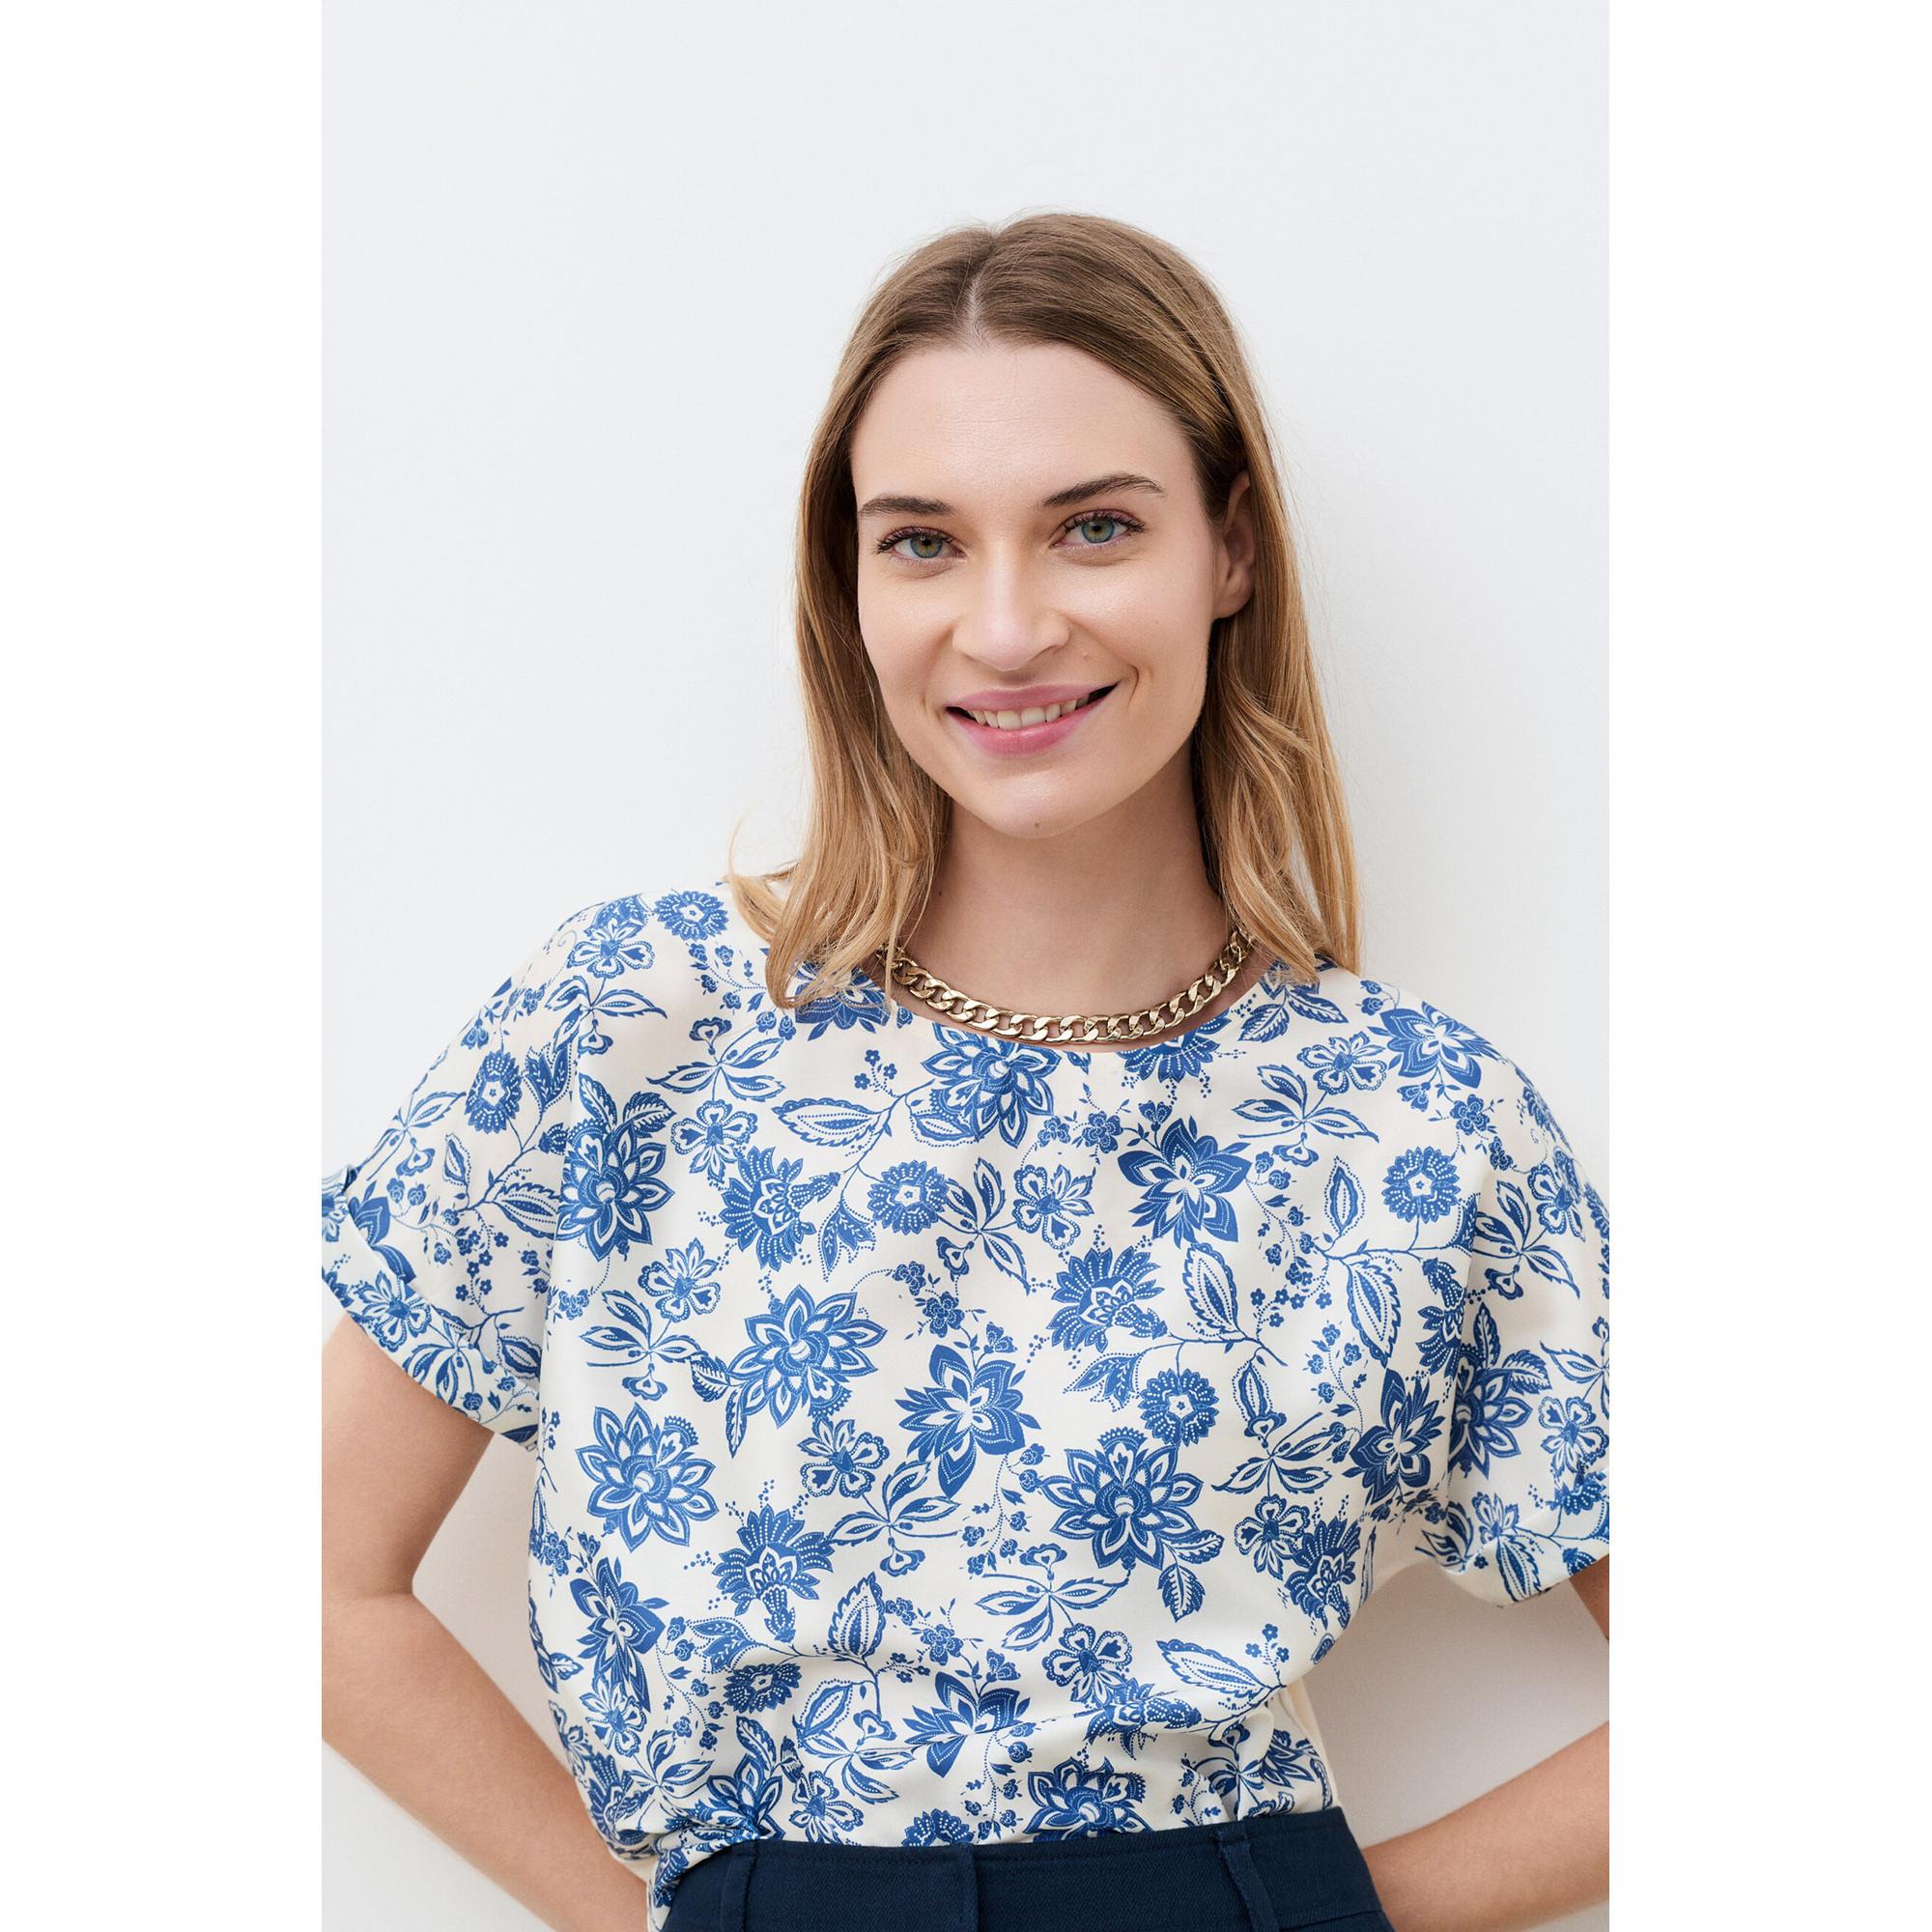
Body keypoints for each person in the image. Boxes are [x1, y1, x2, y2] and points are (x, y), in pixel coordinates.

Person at [322, 212, 1609, 1932]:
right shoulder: (639, 1020)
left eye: (1095, 527)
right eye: (923, 542)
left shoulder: (1421, 1121)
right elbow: (316, 1582)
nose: (1006, 628)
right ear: (850, 585)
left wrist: (1318, 1921)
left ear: (1230, 549)